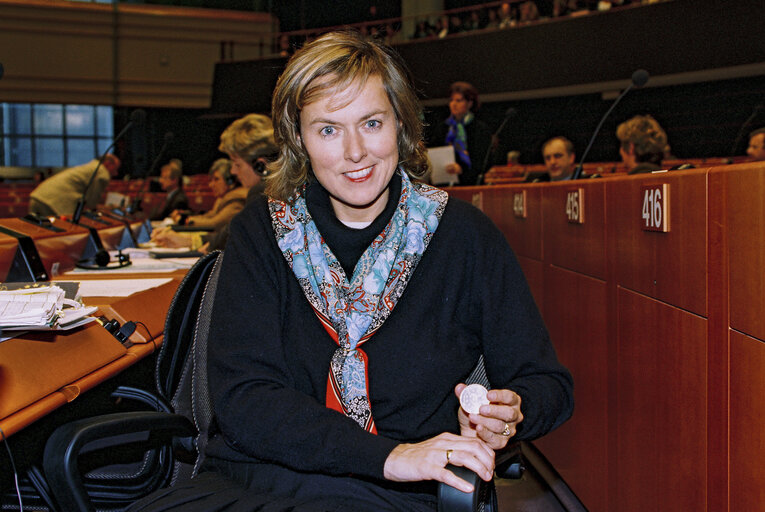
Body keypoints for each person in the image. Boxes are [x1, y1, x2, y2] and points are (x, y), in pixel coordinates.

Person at [129, 30, 572, 512]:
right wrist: (390, 456)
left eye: (372, 122)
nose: (355, 151)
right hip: (252, 479)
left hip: (393, 495)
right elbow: (244, 400)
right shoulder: (261, 230)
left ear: (400, 123)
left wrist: (510, 414)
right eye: (328, 130)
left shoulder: (466, 236)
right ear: (298, 139)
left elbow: (547, 383)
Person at [153, 114, 279, 253]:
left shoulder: (262, 194)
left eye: (237, 164)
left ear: (260, 166)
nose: (233, 171)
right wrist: (189, 240)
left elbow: (233, 237)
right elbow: (225, 236)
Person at [431, 81, 495, 186]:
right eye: (451, 100)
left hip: (471, 184)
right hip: (444, 183)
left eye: (459, 100)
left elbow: (484, 161)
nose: (453, 104)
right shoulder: (443, 128)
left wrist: (462, 170)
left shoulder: (480, 128)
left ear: (469, 103)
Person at [28, 154, 120, 217]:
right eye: (116, 169)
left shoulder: (90, 167)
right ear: (108, 163)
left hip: (38, 197)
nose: (116, 173)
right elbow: (91, 204)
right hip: (53, 203)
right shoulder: (102, 172)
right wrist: (108, 208)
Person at [171, 158, 246, 230]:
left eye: (216, 179)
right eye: (211, 180)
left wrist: (183, 221)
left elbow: (214, 224)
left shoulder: (236, 201)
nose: (211, 185)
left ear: (230, 181)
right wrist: (185, 217)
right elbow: (208, 216)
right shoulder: (222, 198)